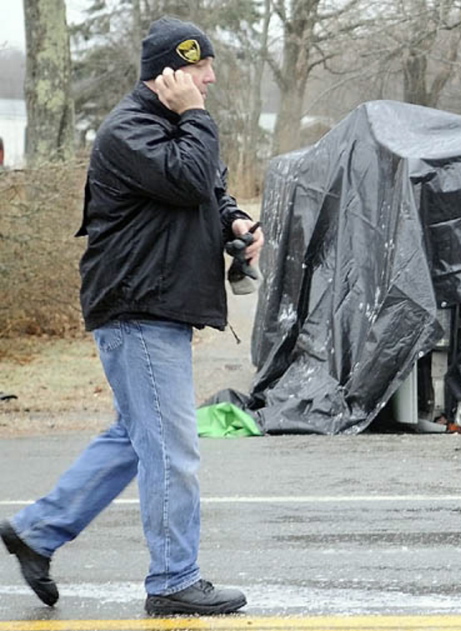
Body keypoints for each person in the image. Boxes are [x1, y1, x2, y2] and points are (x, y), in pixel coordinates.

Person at [0, 16, 263, 614]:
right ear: (170, 73)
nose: (212, 79)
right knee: (172, 448)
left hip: (155, 307)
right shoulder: (129, 130)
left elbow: (208, 190)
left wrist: (236, 222)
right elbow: (191, 174)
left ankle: (37, 532)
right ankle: (174, 581)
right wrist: (197, 115)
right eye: (201, 70)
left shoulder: (169, 127)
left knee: (135, 437)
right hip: (138, 307)